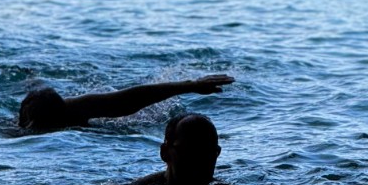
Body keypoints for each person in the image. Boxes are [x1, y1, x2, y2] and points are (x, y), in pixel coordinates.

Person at [18, 72, 233, 135]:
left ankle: (32, 78)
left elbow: (132, 97)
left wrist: (191, 85)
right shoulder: (13, 130)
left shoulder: (72, 109)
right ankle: (31, 79)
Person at [128, 113, 223, 185]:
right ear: (164, 153)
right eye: (188, 151)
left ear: (217, 153)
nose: (199, 159)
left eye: (207, 152)